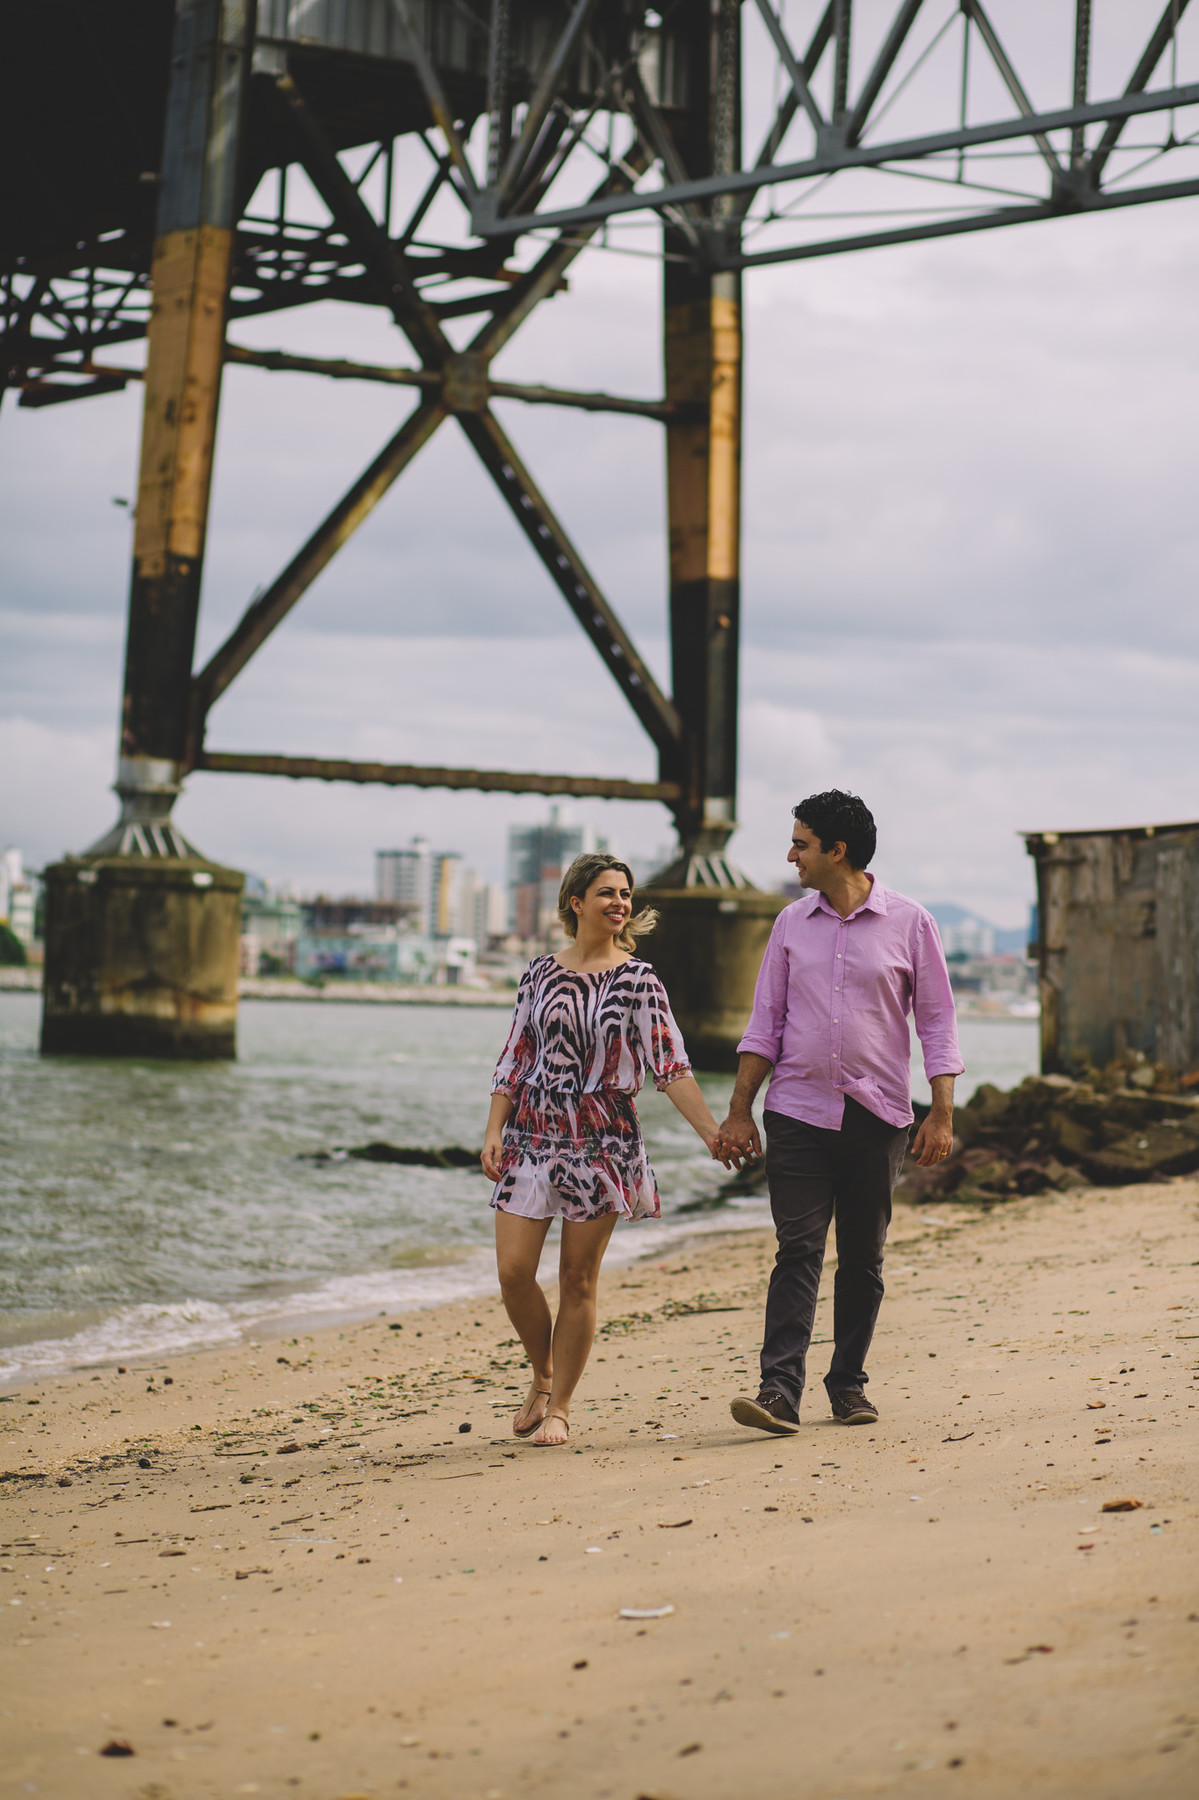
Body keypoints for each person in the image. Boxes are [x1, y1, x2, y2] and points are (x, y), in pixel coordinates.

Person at [716, 791, 962, 1434]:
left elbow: (937, 1025)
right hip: (796, 1111)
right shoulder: (790, 924)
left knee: (861, 1258)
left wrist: (940, 1114)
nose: (790, 855)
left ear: (837, 851)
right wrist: (739, 1111)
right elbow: (764, 1024)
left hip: (878, 1116)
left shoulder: (912, 923)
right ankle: (778, 1391)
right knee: (797, 1249)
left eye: (801, 844)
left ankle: (848, 1385)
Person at [481, 853, 738, 1446]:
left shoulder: (639, 980)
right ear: (576, 902)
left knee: (577, 1279)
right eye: (607, 893)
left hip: (603, 1140)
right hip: (533, 1132)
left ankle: (561, 1407)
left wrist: (710, 1133)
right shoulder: (539, 973)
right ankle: (542, 1373)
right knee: (514, 1273)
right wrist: (494, 1129)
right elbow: (515, 1055)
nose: (620, 903)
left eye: (625, 893)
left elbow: (670, 1065)